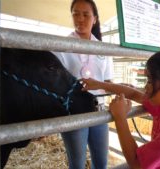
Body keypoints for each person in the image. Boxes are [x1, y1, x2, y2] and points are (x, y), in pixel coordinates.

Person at [81, 48, 160, 169]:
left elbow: (136, 163)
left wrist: (120, 117)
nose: (146, 86)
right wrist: (99, 84)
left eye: (150, 81)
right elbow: (133, 94)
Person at [53, 0, 113, 168]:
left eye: (86, 15)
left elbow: (108, 81)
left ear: (95, 19)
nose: (80, 19)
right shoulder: (60, 45)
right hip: (74, 111)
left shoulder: (104, 48)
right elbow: (55, 81)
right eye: (76, 14)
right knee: (77, 163)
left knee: (101, 162)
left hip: (99, 110)